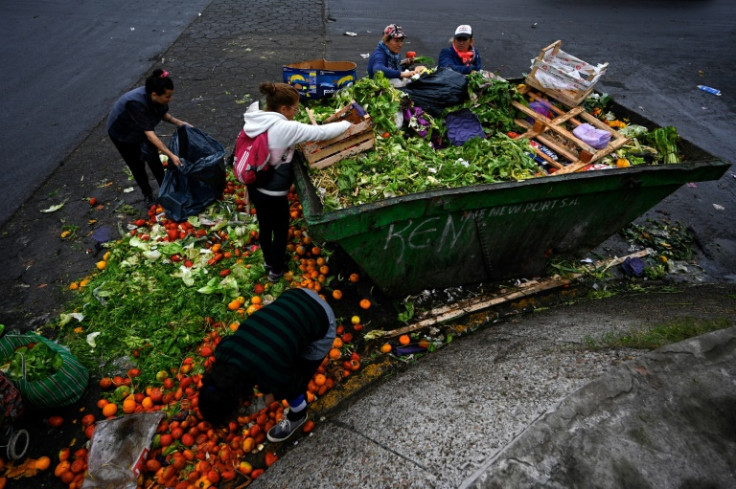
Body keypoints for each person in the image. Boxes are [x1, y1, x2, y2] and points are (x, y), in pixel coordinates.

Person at [198, 287, 336, 442]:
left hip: (323, 321)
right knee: (285, 352)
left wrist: (261, 403)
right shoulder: (223, 351)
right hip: (296, 295)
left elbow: (293, 383)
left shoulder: (269, 374)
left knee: (297, 383)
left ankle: (298, 415)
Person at [243, 82, 350, 282]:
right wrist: (348, 124)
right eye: (294, 108)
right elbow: (321, 133)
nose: (296, 112)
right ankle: (276, 271)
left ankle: (268, 261)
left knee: (265, 226)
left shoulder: (255, 116)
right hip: (273, 191)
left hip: (255, 184)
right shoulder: (285, 127)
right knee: (281, 230)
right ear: (283, 109)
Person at [107, 69, 191, 209]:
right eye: (167, 96)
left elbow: (164, 115)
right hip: (122, 133)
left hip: (141, 129)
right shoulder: (136, 104)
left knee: (154, 160)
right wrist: (171, 155)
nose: (170, 99)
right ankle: (147, 195)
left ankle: (166, 190)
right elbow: (150, 135)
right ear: (154, 94)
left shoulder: (157, 98)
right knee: (137, 165)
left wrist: (181, 123)